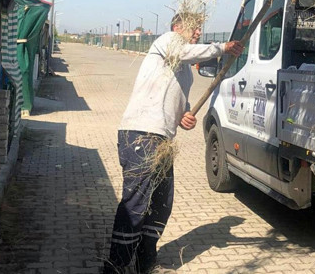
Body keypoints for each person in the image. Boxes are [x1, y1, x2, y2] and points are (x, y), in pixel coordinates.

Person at [103, 14, 243, 274]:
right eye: (194, 27)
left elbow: (180, 107)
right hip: (141, 134)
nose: (199, 31)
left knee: (161, 203)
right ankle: (116, 266)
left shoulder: (185, 73)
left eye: (201, 27)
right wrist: (222, 48)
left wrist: (186, 116)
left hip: (163, 140)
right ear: (178, 27)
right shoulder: (168, 42)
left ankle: (145, 262)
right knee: (136, 203)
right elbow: (187, 51)